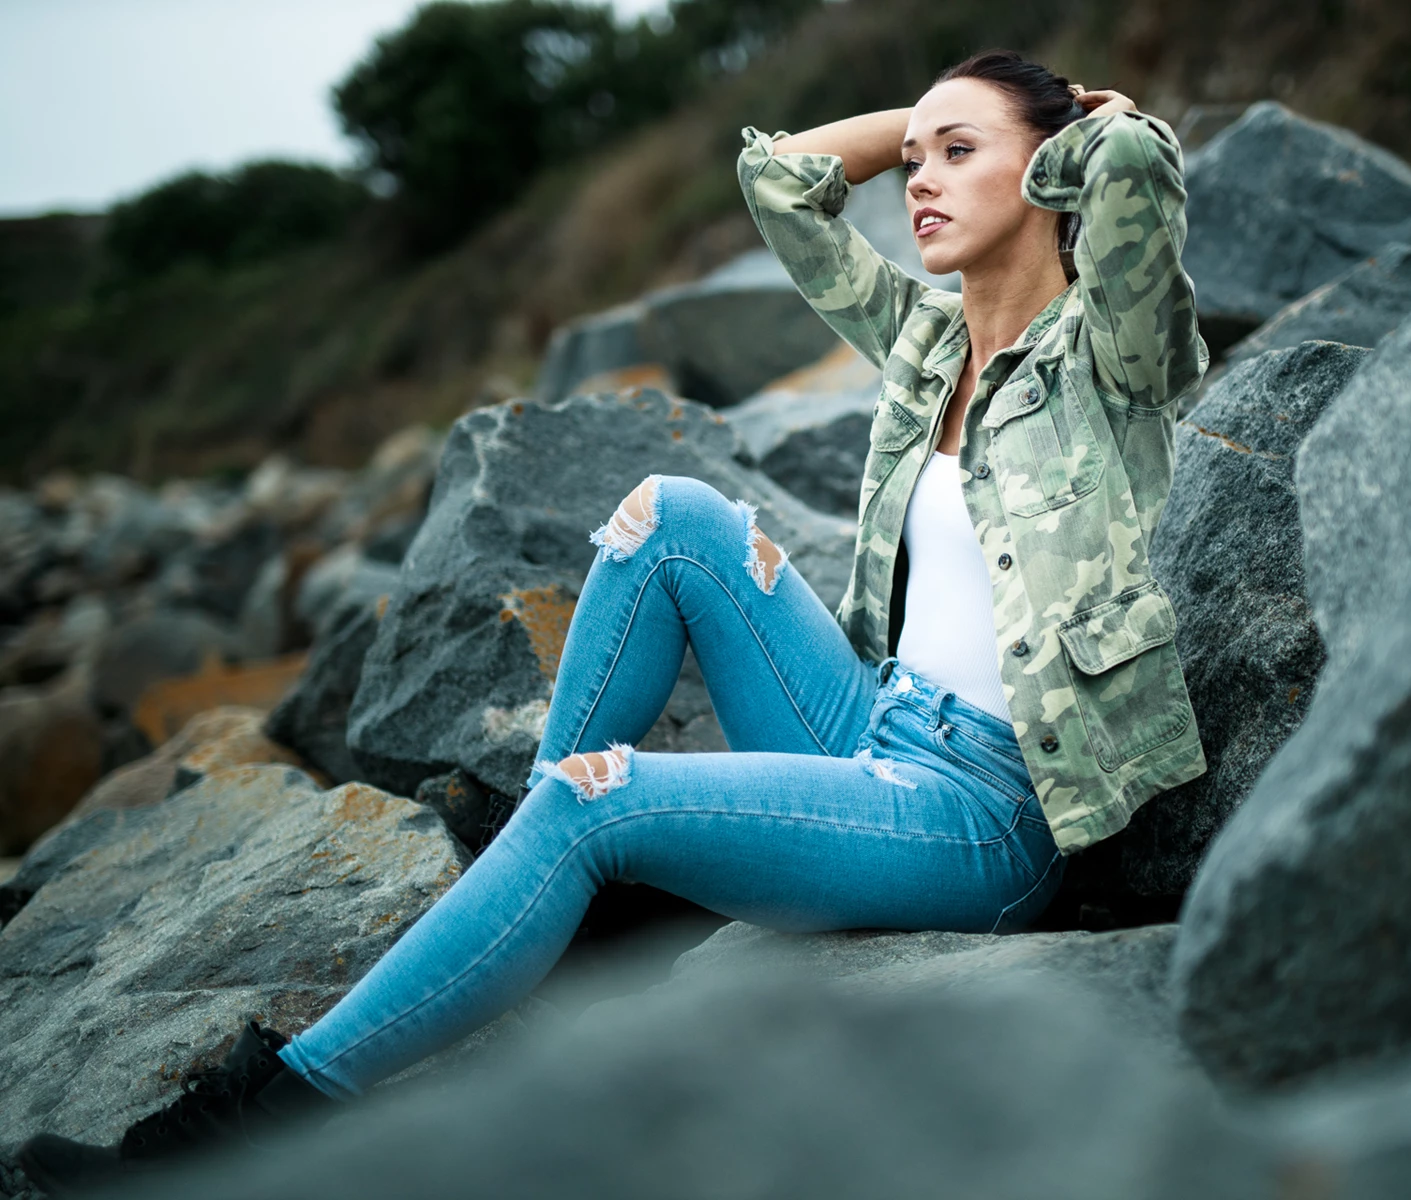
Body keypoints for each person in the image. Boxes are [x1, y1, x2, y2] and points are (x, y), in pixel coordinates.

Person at [19, 47, 1209, 1194]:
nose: (921, 181)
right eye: (912, 160)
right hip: (873, 722)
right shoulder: (926, 342)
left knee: (609, 797)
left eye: (959, 152)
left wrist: (1094, 123)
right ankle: (554, 874)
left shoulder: (1113, 353)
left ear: (1053, 165)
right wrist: (925, 115)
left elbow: (1142, 190)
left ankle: (265, 1119)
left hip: (989, 814)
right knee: (672, 515)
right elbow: (781, 182)